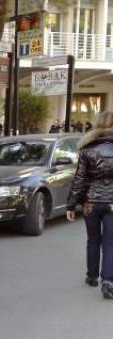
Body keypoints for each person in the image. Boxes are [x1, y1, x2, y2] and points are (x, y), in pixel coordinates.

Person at [66, 111, 113, 299]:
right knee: (110, 242)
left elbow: (79, 180)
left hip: (90, 203)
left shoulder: (87, 149)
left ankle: (92, 276)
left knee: (93, 239)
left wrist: (71, 205)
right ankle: (108, 280)